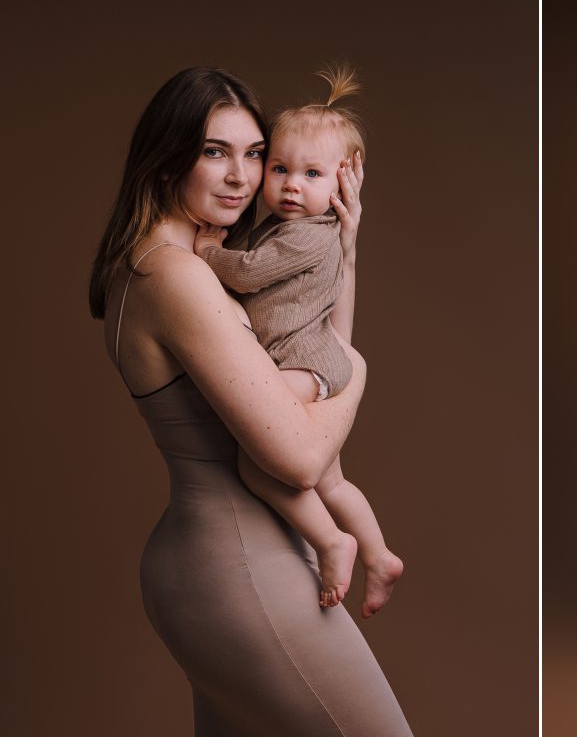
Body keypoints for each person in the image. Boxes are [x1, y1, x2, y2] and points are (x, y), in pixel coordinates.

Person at [89, 66, 413, 734]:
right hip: (241, 567)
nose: (241, 175)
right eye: (215, 151)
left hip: (213, 560)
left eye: (254, 154)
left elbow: (305, 343)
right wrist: (356, 368)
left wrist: (342, 256)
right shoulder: (179, 274)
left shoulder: (165, 261)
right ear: (167, 155)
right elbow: (299, 454)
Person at [194, 65, 403, 615]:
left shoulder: (312, 237)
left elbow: (246, 275)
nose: (289, 184)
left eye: (311, 174)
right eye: (281, 167)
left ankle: (333, 541)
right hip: (307, 353)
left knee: (255, 461)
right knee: (332, 482)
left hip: (307, 361)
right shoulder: (278, 226)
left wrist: (208, 253)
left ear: (343, 183)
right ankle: (381, 556)